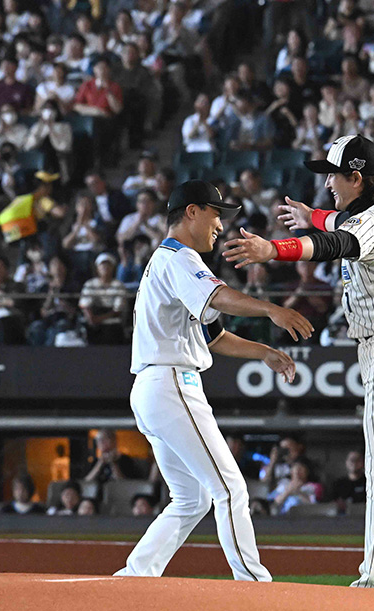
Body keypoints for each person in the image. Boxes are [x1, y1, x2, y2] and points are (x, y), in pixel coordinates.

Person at [222, 135, 374, 590]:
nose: (326, 182)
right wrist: (312, 217)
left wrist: (274, 249)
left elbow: (335, 244)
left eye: (333, 174)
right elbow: (340, 225)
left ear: (356, 177)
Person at [113, 179, 312, 583]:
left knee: (191, 499)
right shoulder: (178, 257)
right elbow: (220, 297)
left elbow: (215, 335)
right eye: (216, 213)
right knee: (230, 487)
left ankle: (135, 574)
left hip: (155, 387)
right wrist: (272, 310)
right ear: (191, 211)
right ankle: (253, 582)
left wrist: (265, 352)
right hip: (171, 383)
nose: (220, 224)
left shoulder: (166, 261)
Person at [84, 428, 150, 484]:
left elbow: (125, 484)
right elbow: (87, 482)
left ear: (114, 441)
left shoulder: (125, 460)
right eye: (99, 441)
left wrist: (113, 463)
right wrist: (100, 463)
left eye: (105, 439)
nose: (102, 443)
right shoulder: (94, 461)